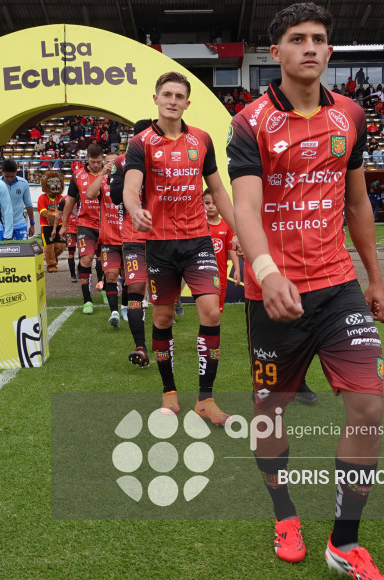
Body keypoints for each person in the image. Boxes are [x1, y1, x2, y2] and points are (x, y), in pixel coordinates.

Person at [227, 4, 384, 577]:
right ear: (276, 52)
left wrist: (374, 277)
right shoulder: (249, 122)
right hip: (274, 295)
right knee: (270, 412)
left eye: (319, 38)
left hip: (338, 286)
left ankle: (344, 542)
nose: (311, 47)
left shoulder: (351, 115)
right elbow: (245, 207)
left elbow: (358, 202)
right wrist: (267, 271)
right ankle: (284, 515)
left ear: (329, 49)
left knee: (369, 406)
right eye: (298, 39)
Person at [122, 71, 237, 426]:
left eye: (178, 96)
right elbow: (131, 187)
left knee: (211, 313)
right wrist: (134, 209)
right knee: (162, 319)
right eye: (167, 94)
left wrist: (240, 231)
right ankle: (169, 391)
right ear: (155, 99)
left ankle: (205, 399)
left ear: (187, 102)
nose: (172, 100)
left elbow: (218, 190)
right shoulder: (140, 142)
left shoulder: (201, 139)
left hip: (197, 241)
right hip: (159, 245)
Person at [110, 119, 153, 366]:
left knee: (164, 298)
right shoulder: (121, 162)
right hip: (134, 236)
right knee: (135, 290)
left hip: (162, 236)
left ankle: (163, 346)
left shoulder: (166, 158)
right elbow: (116, 196)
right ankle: (141, 347)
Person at [59, 143, 105, 315]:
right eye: (93, 162)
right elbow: (70, 200)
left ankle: (105, 289)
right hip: (85, 224)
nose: (96, 165)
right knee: (86, 260)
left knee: (106, 263)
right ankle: (87, 300)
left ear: (102, 158)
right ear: (87, 159)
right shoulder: (77, 175)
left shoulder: (109, 173)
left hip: (106, 224)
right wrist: (64, 225)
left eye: (98, 161)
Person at [85, 152, 123, 328]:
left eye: (114, 162)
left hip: (129, 237)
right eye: (107, 162)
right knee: (111, 275)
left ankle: (125, 307)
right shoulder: (103, 182)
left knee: (129, 279)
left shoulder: (128, 180)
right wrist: (102, 174)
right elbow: (90, 194)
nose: (110, 165)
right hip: (109, 238)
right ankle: (114, 313)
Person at [203, 190, 240, 313]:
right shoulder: (200, 226)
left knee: (217, 311)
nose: (211, 206)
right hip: (203, 274)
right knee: (206, 311)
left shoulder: (227, 226)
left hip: (220, 275)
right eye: (207, 203)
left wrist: (237, 269)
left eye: (214, 203)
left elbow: (231, 249)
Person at [37, 171, 66, 273]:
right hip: (46, 226)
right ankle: (51, 264)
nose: (56, 184)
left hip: (60, 225)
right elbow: (42, 211)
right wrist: (52, 216)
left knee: (61, 246)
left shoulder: (62, 198)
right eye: (51, 182)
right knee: (49, 246)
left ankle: (52, 258)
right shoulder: (42, 197)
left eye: (57, 182)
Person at [0, 159, 35, 240]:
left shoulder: (23, 183)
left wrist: (32, 224)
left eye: (12, 176)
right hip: (2, 225)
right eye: (6, 176)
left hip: (20, 224)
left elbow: (28, 205)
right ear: (2, 172)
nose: (9, 179)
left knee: (23, 248)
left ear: (16, 171)